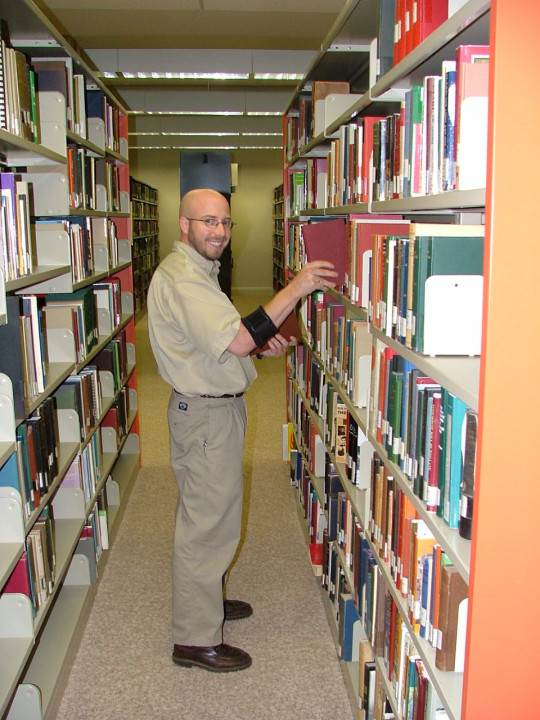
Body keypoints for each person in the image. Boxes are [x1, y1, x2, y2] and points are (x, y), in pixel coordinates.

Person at [147, 187, 336, 673]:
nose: (219, 232)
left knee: (215, 518)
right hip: (206, 417)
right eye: (208, 222)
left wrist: (255, 346)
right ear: (184, 225)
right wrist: (297, 287)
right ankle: (194, 638)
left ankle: (203, 601)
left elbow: (216, 341)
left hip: (210, 410)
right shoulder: (183, 277)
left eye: (225, 223)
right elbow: (232, 337)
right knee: (206, 526)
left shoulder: (199, 273)